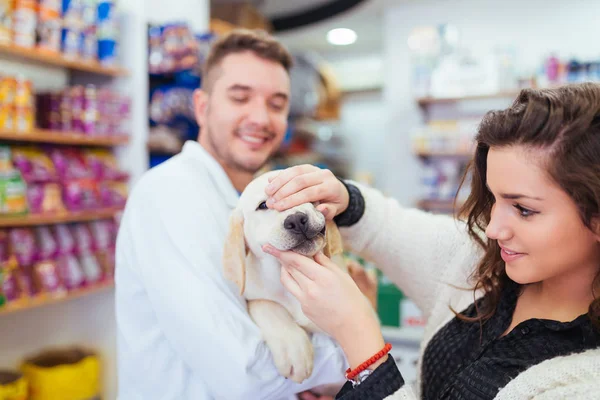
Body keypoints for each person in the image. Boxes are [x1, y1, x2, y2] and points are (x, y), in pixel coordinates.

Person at [263, 83, 600, 400]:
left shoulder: (586, 382)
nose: (494, 229)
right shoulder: (483, 258)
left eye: (524, 209)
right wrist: (341, 197)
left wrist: (360, 341)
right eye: (493, 199)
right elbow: (384, 226)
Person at [114, 29, 349, 399]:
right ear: (202, 106)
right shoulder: (171, 194)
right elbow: (246, 371)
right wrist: (352, 347)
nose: (260, 118)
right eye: (240, 98)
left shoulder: (251, 198)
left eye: (276, 104)